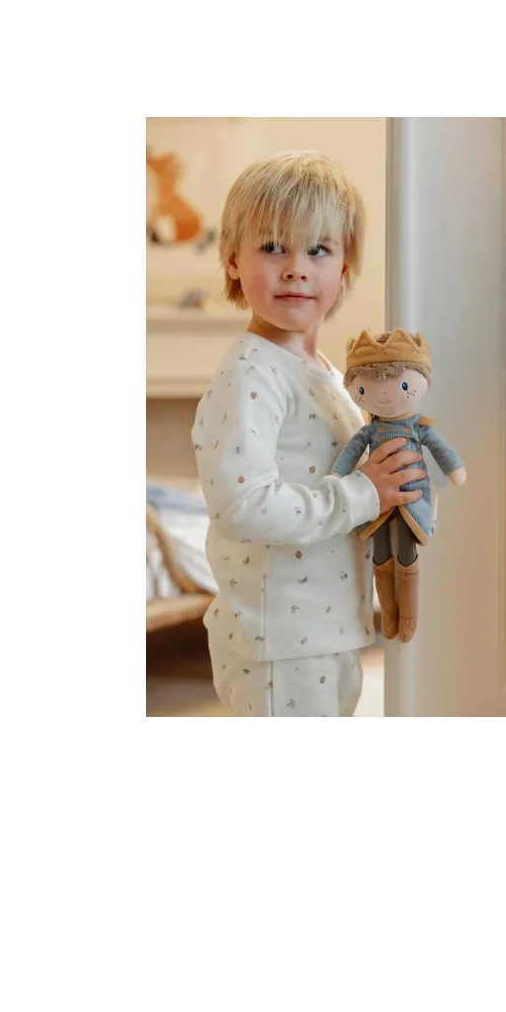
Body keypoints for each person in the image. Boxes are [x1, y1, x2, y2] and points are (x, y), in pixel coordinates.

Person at [190, 151, 424, 719]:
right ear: (232, 262)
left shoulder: (325, 375)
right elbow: (243, 507)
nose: (296, 268)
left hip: (322, 627)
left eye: (318, 249)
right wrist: (363, 493)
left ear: (344, 268)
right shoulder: (251, 373)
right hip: (279, 638)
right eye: (274, 247)